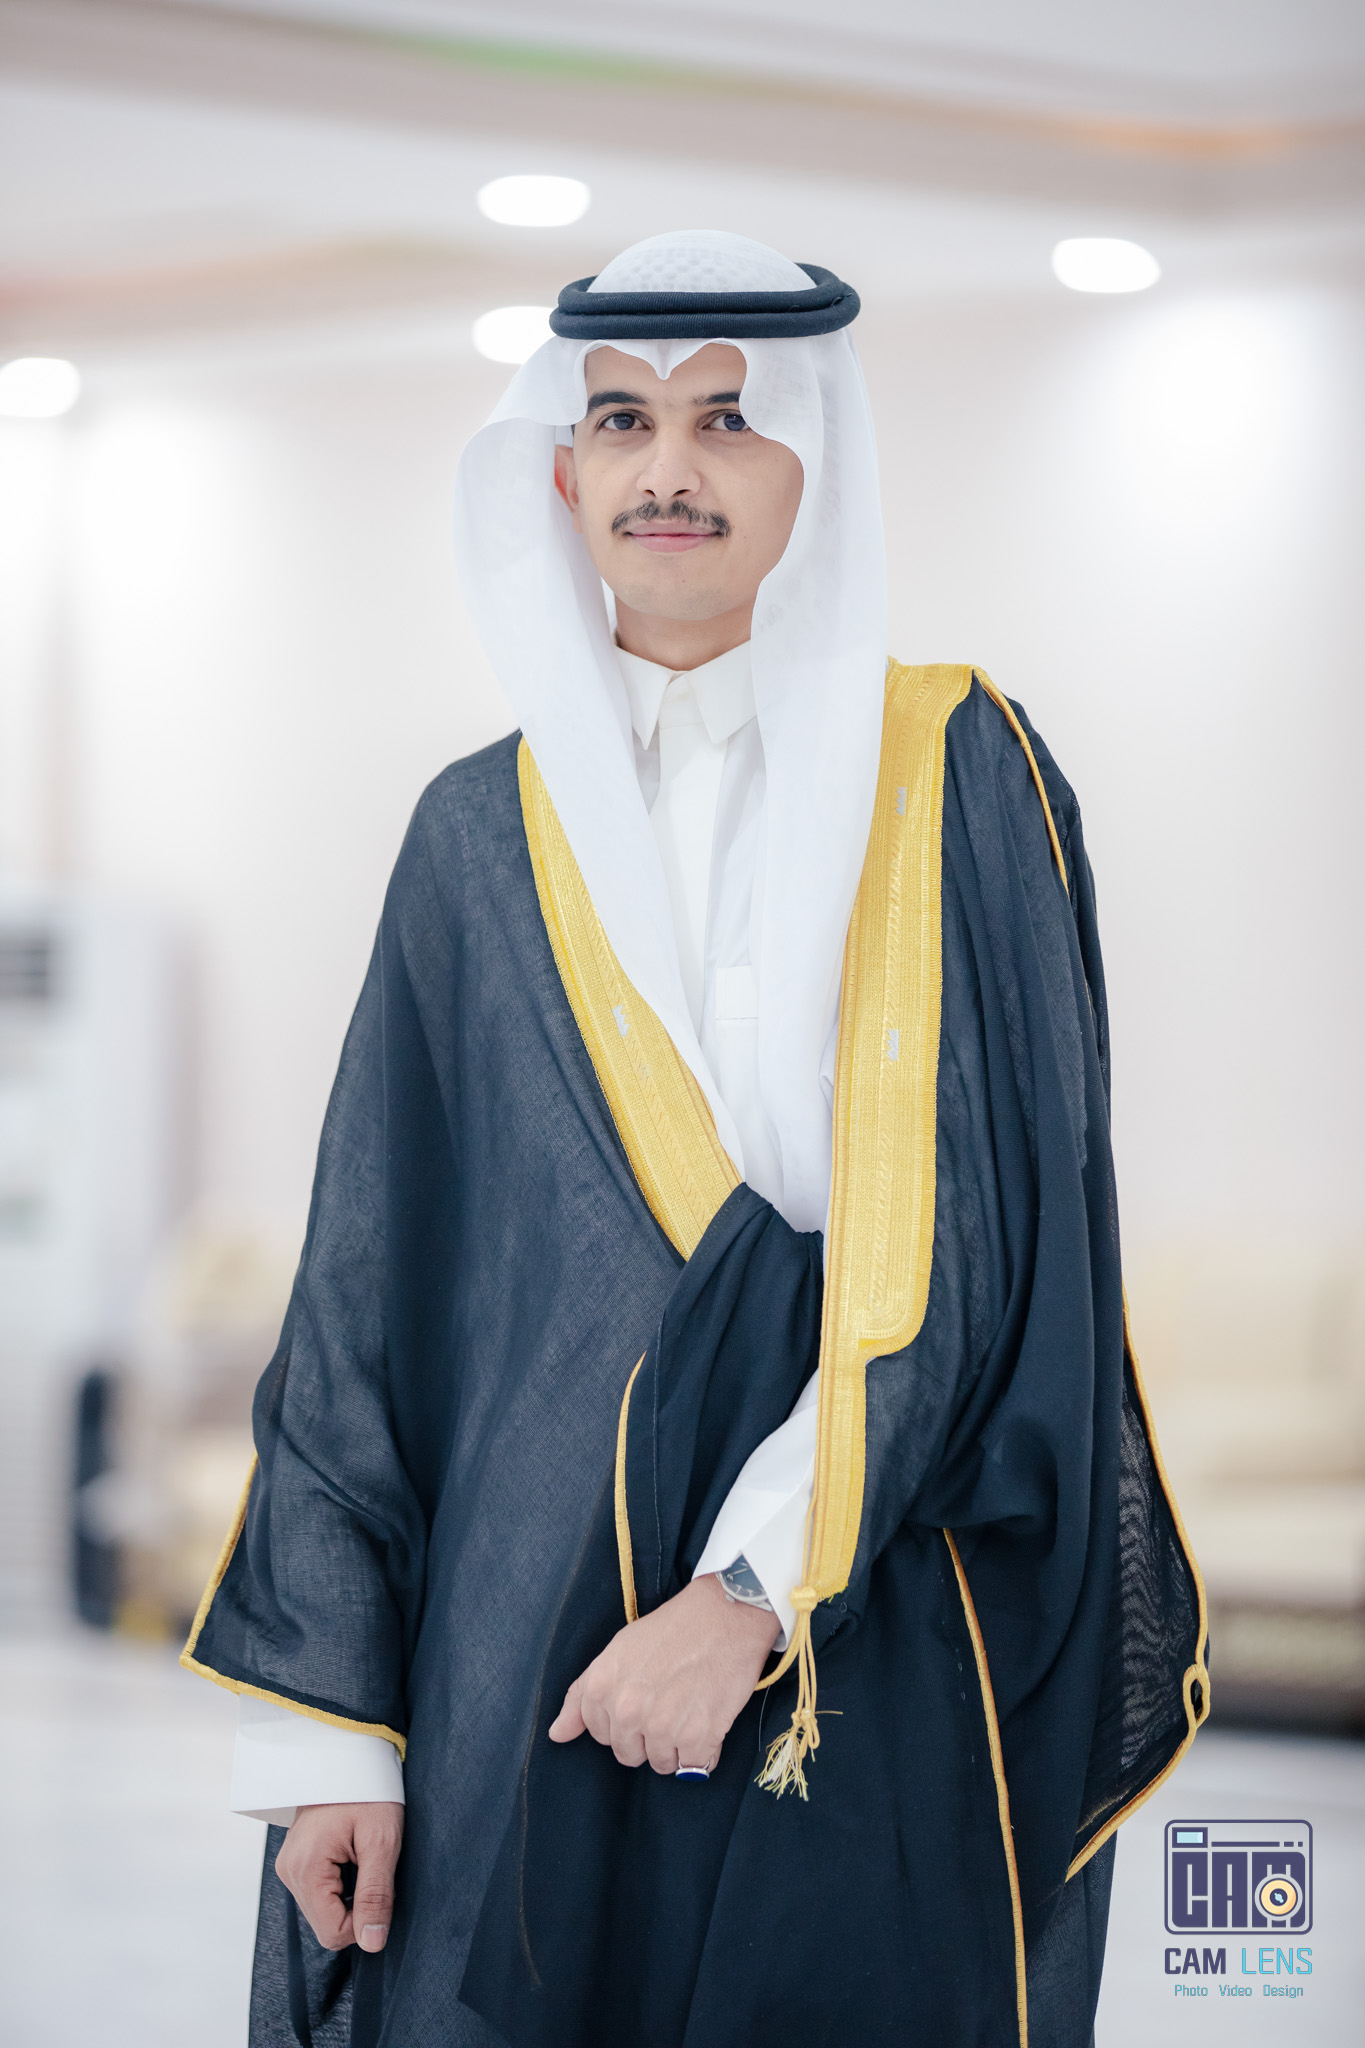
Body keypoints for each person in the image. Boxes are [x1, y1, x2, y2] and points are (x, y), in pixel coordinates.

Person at [183, 230, 1208, 2048]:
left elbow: (991, 1246)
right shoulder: (474, 835)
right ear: (558, 472)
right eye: (622, 421)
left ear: (817, 465)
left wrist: (745, 1594)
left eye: (729, 419)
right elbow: (366, 1291)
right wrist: (333, 1734)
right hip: (521, 1636)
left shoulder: (958, 774)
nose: (669, 468)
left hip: (869, 1619)